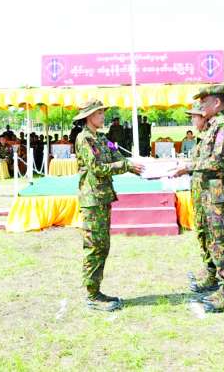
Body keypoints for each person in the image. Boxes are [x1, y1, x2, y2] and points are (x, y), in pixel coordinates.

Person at [173, 85, 224, 313]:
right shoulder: (215, 126)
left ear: (217, 103)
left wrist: (188, 167)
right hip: (212, 193)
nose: (201, 106)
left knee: (223, 243)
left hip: (220, 193)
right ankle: (220, 285)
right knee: (215, 241)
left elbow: (218, 161)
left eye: (205, 102)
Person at [73, 100, 143, 312]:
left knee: (103, 246)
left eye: (103, 112)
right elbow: (97, 168)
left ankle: (97, 290)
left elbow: (116, 156)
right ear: (89, 117)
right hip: (92, 200)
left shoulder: (102, 138)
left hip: (102, 198)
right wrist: (126, 165)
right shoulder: (84, 139)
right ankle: (92, 294)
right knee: (94, 247)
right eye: (99, 113)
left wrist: (134, 164)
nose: (103, 116)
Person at [183, 102, 216, 296]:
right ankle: (208, 267)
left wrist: (187, 167)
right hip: (200, 192)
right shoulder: (203, 138)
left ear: (204, 117)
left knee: (213, 235)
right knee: (202, 231)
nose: (192, 121)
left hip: (210, 193)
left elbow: (214, 163)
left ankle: (214, 274)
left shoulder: (215, 134)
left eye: (194, 117)